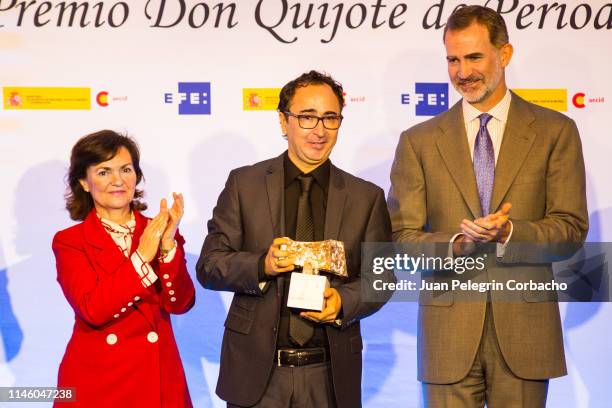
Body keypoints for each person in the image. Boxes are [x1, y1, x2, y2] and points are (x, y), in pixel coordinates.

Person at [388, 5, 588, 407]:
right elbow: (399, 239)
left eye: (474, 57)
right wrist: (456, 245)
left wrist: (511, 233)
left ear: (505, 54)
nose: (462, 72)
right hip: (448, 338)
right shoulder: (419, 141)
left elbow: (570, 230)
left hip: (525, 335)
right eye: (453, 59)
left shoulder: (555, 131)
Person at [197, 70, 393, 408]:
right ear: (283, 121)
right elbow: (210, 265)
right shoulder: (245, 185)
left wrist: (342, 303)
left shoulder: (366, 197)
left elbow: (382, 278)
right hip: (257, 374)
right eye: (307, 118)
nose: (319, 130)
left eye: (330, 118)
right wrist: (263, 265)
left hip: (329, 374)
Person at [52, 130, 195, 407]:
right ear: (84, 181)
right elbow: (93, 309)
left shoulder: (160, 230)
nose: (117, 180)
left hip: (159, 375)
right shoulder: (69, 242)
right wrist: (142, 256)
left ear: (136, 177)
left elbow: (180, 304)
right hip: (99, 380)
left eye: (126, 169)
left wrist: (167, 247)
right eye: (104, 171)